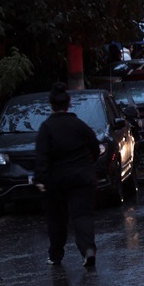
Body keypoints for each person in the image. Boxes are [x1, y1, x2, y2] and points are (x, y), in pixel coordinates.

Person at [34, 83, 100, 267]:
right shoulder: (79, 125)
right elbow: (94, 146)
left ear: (51, 106)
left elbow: (42, 156)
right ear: (68, 105)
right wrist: (88, 164)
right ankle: (88, 249)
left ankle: (55, 255)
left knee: (56, 219)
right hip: (82, 176)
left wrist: (40, 179)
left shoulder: (47, 128)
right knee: (83, 216)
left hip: (57, 180)